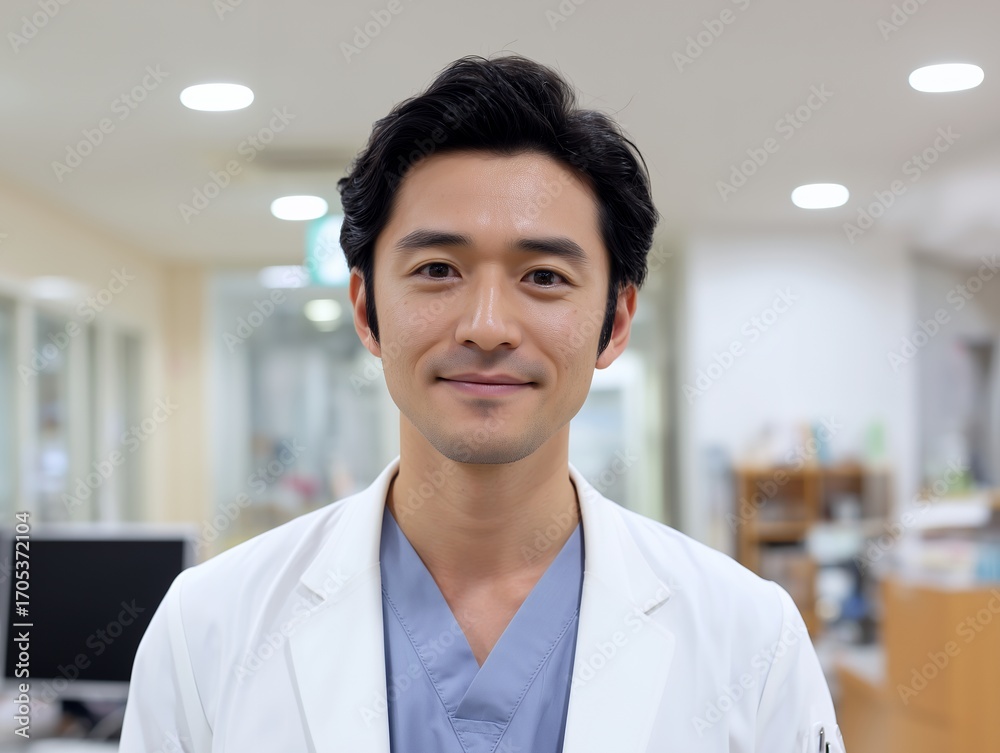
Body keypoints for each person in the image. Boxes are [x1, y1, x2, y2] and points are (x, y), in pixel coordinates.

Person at [119, 54, 845, 753]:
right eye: (438, 269)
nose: (488, 326)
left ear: (616, 321)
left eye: (544, 276)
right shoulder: (208, 626)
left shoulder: (751, 639)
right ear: (366, 309)